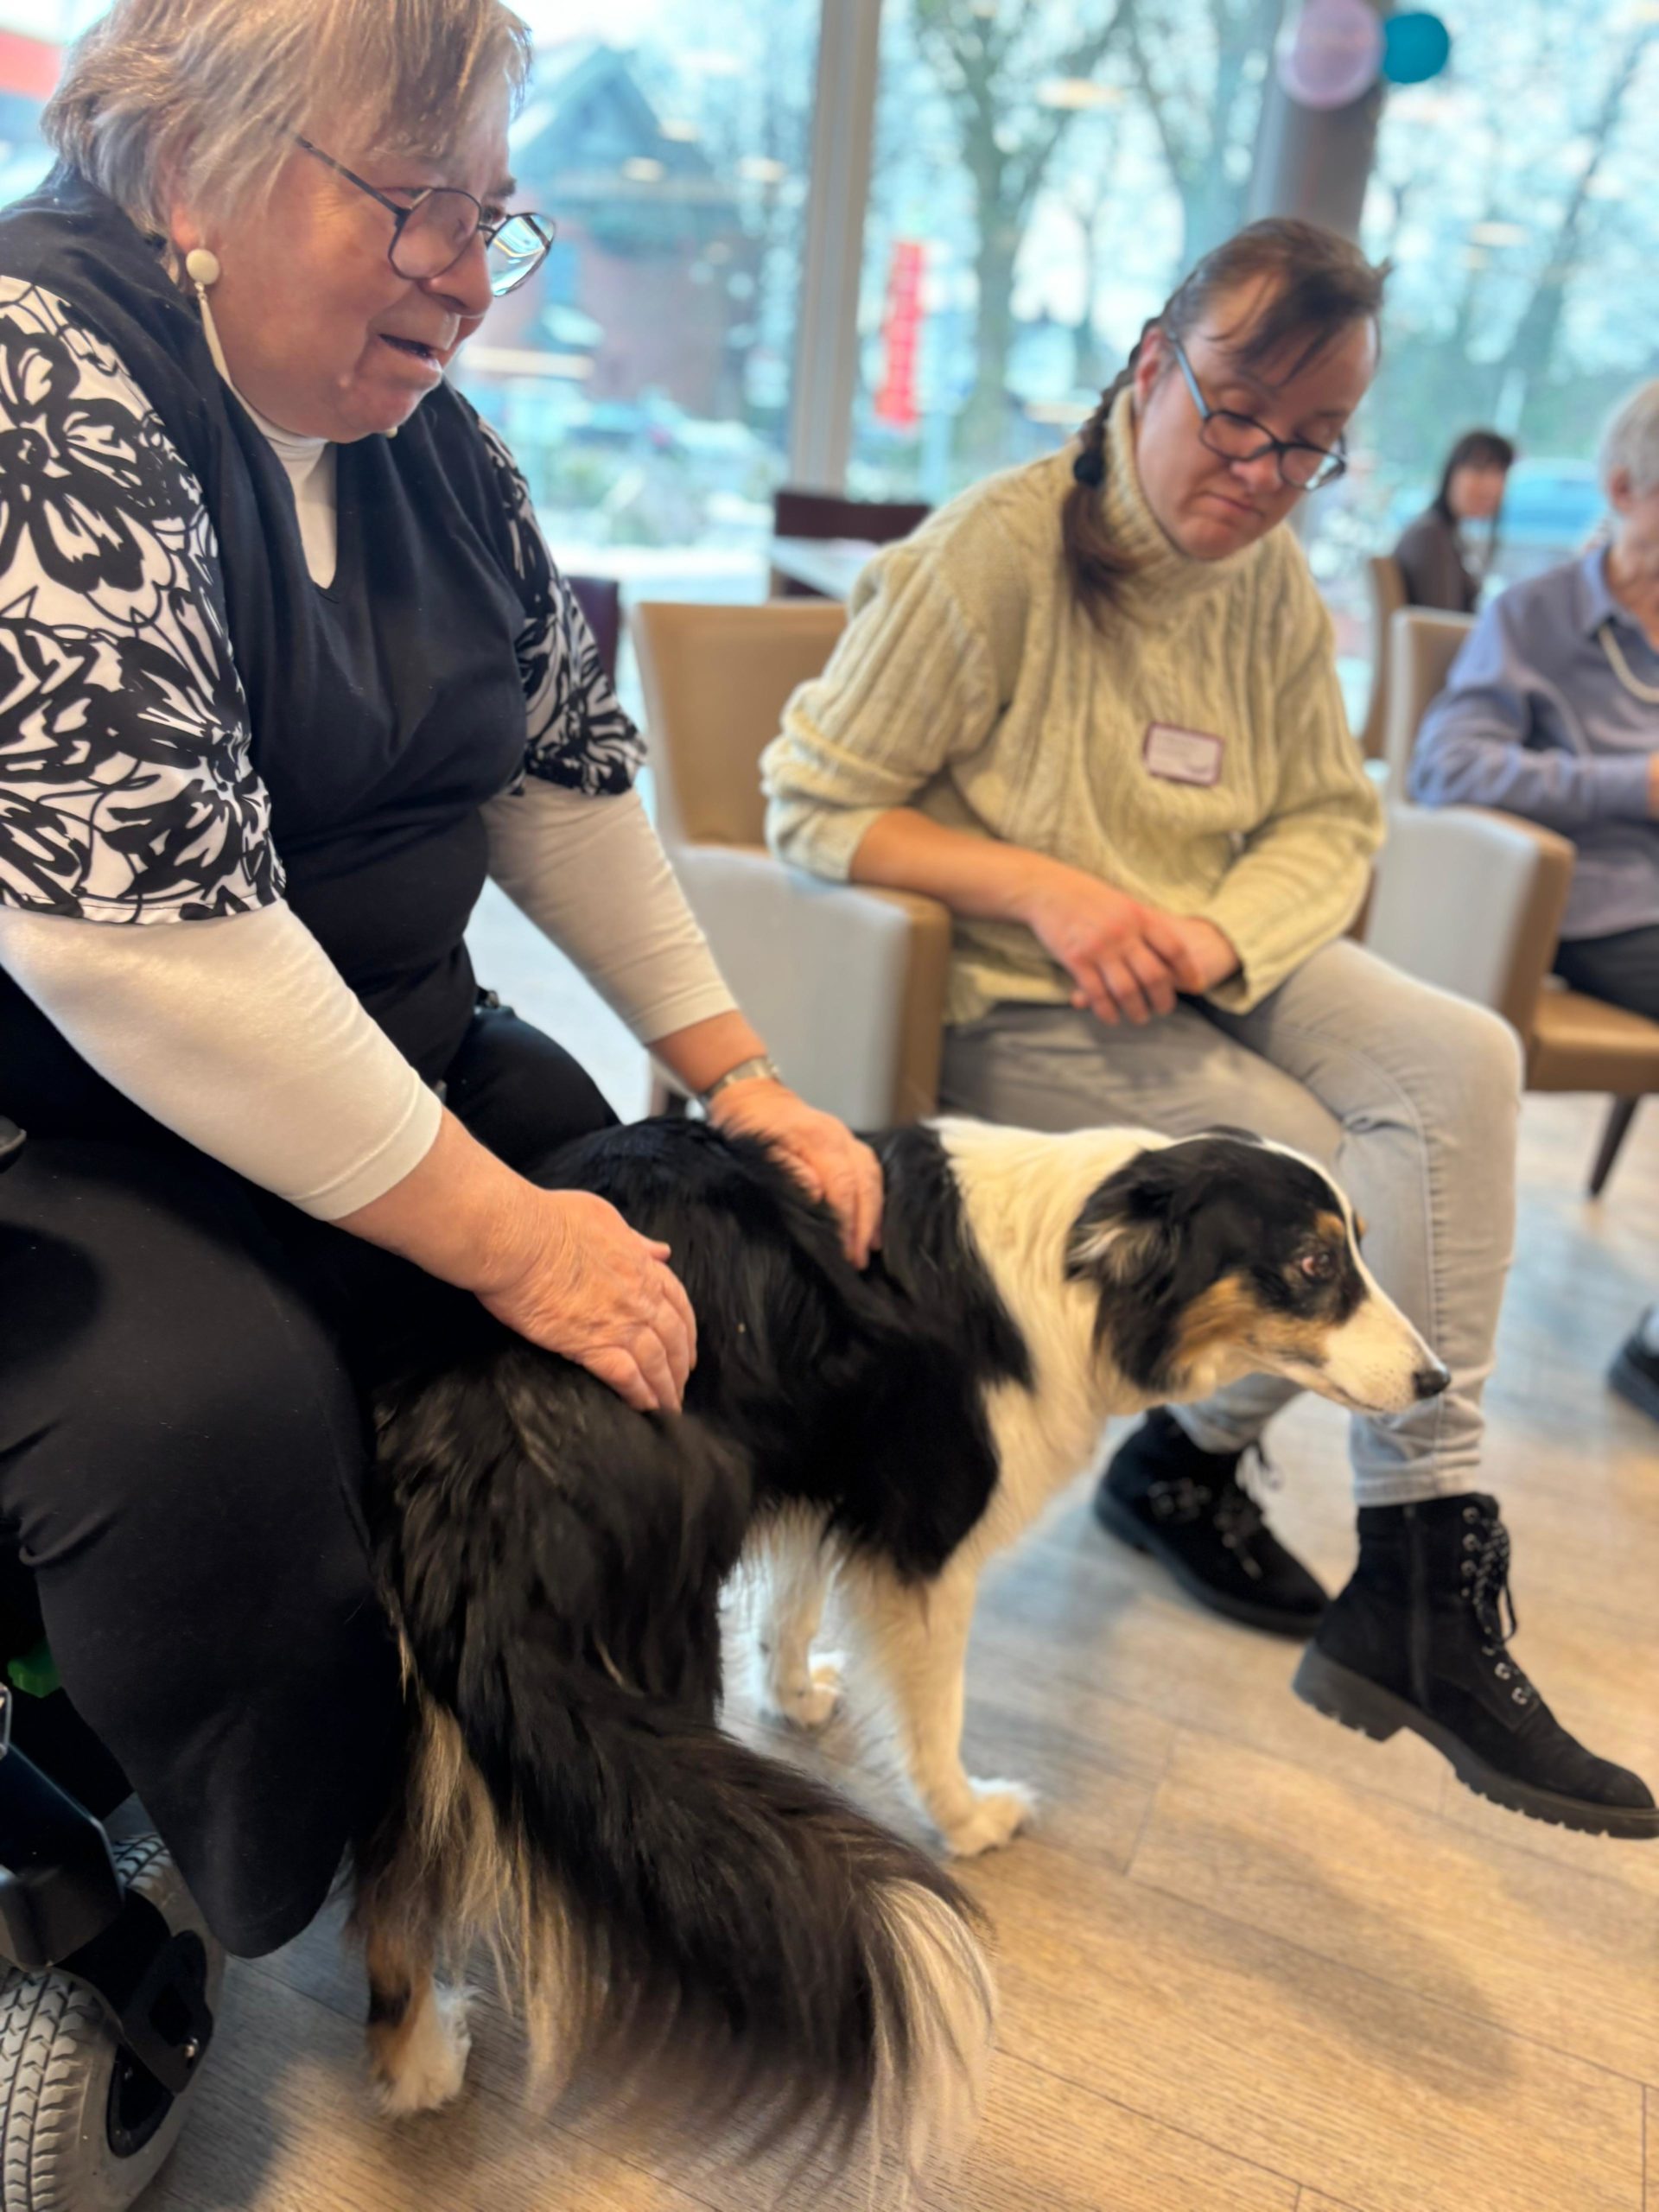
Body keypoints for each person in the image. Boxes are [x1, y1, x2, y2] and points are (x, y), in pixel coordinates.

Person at [0, 0, 881, 1959]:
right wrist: (513, 1244)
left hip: (386, 1057)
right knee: (213, 1429)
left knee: (673, 1220)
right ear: (192, 165)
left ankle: (517, 1761)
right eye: (414, 205)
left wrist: (738, 1075)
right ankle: (266, 1850)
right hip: (69, 1127)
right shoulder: (34, 383)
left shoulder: (439, 447)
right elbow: (141, 947)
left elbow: (558, 773)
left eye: (492, 218)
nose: (471, 279)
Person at [761, 219, 1654, 1836]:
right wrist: (1051, 893)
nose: (1261, 473)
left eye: (1310, 446)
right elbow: (810, 802)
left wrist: (1221, 932)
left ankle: (1417, 1563)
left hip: (1219, 947)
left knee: (1465, 1061)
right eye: (1236, 415)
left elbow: (1329, 816)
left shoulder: (1273, 590)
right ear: (1149, 365)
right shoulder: (994, 555)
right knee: (1299, 1177)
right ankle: (1202, 1463)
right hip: (1016, 981)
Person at [1410, 379, 1659, 1028]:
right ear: (1624, 490)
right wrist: (1636, 785)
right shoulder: (1534, 616)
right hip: (1607, 904)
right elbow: (1448, 768)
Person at [1389, 428, 1515, 613]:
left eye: (1500, 473)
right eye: (1479, 470)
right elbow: (1442, 621)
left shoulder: (1446, 533)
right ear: (1451, 474)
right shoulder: (1430, 536)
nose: (1491, 485)